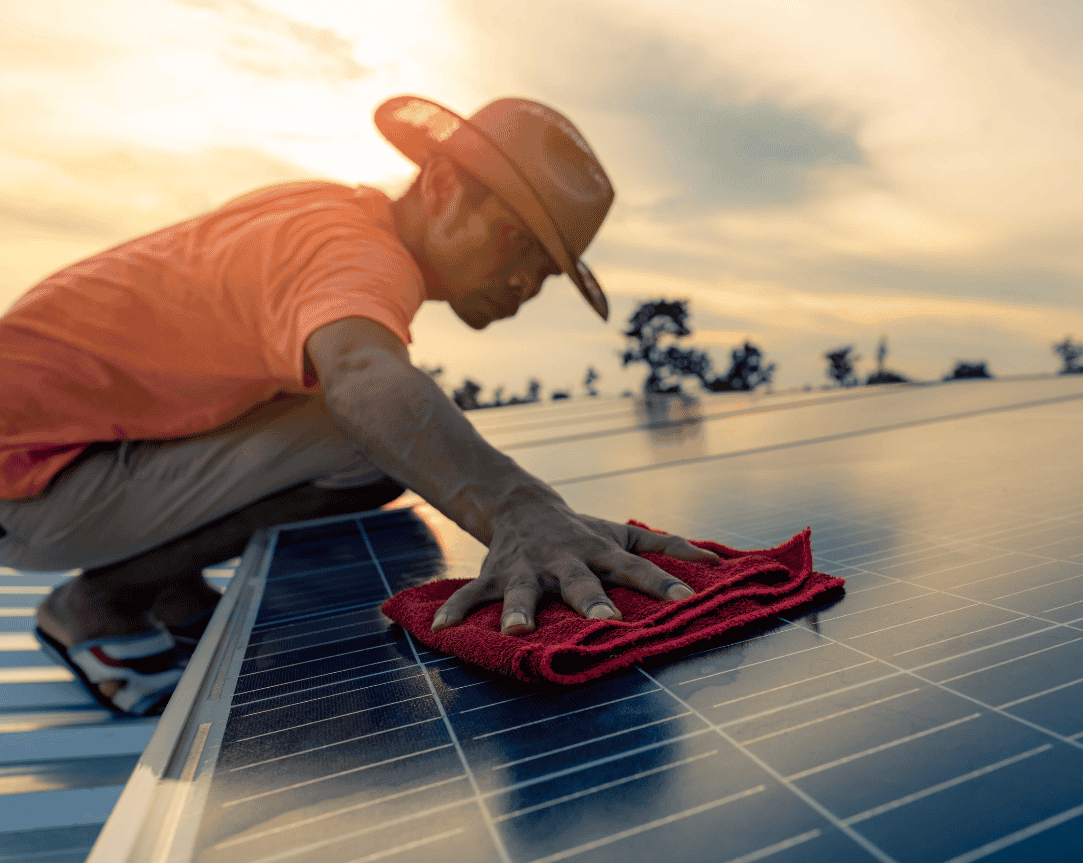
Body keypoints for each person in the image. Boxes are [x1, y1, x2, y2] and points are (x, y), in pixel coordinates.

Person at [0, 95, 719, 715]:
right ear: (440, 184)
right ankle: (102, 607)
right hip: (29, 481)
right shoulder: (359, 253)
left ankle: (171, 592)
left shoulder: (328, 214)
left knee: (355, 422)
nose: (527, 281)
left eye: (548, 268)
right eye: (519, 241)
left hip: (64, 451)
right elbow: (364, 380)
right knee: (365, 439)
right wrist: (520, 510)